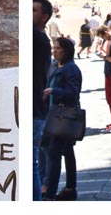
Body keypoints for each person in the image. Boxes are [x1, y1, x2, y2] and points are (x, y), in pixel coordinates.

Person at [43, 37, 82, 200]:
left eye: (58, 48)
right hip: (55, 116)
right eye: (54, 48)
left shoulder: (71, 69)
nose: (54, 50)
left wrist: (54, 91)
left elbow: (73, 93)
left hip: (63, 118)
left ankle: (50, 192)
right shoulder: (57, 66)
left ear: (66, 51)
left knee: (54, 153)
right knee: (67, 152)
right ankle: (70, 188)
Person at [32, 0, 53, 201]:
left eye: (34, 10)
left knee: (31, 166)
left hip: (34, 113)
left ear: (44, 16)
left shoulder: (38, 39)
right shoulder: (40, 39)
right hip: (34, 111)